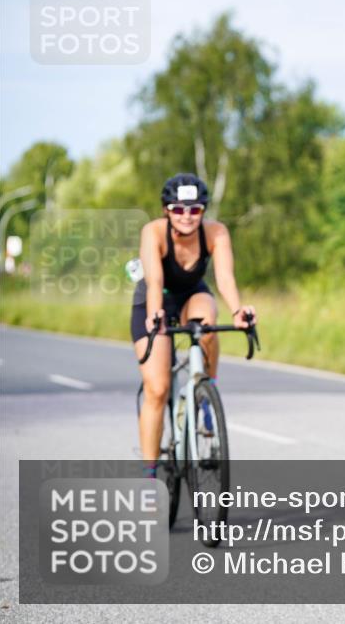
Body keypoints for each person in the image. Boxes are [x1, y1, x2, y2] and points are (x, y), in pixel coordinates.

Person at [131, 173, 256, 477]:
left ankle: (204, 392)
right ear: (166, 210)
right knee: (157, 389)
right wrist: (155, 314)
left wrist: (238, 310)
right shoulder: (154, 232)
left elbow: (225, 279)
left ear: (203, 210)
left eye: (194, 209)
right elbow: (155, 280)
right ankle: (150, 475)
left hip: (191, 294)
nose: (186, 216)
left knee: (207, 321)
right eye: (178, 209)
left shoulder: (215, 233)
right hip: (154, 298)